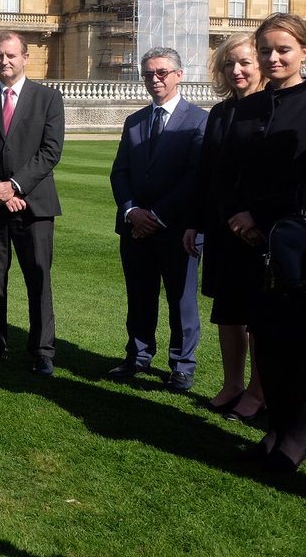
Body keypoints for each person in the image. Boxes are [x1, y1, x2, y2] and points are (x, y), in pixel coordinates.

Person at [221, 13, 306, 472]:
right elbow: (231, 173)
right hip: (248, 241)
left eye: (283, 49)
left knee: (295, 341)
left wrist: (259, 214)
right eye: (265, 50)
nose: (272, 58)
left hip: (297, 238)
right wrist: (240, 218)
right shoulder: (245, 107)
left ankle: (295, 437)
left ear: (304, 52)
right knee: (266, 340)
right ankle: (273, 431)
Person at [0, 30, 64, 376]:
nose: (4, 61)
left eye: (10, 55)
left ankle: (42, 350)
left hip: (34, 206)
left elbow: (50, 152)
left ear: (25, 58)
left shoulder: (48, 99)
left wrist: (16, 186)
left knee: (38, 279)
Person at [108, 47, 208, 390]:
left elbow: (195, 178)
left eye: (162, 72)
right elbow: (119, 173)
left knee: (181, 299)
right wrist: (132, 211)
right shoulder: (134, 120)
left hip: (177, 228)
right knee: (139, 295)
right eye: (148, 73)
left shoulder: (198, 119)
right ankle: (137, 355)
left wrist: (158, 215)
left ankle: (182, 364)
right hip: (135, 227)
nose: (154, 79)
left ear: (179, 75)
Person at [182, 34, 266, 421]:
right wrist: (193, 222)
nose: (236, 70)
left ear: (261, 64)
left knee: (260, 314)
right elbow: (207, 174)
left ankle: (258, 389)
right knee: (228, 311)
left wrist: (256, 216)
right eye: (230, 64)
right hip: (221, 228)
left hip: (259, 229)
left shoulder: (272, 108)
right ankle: (233, 383)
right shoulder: (220, 112)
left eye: (245, 62)